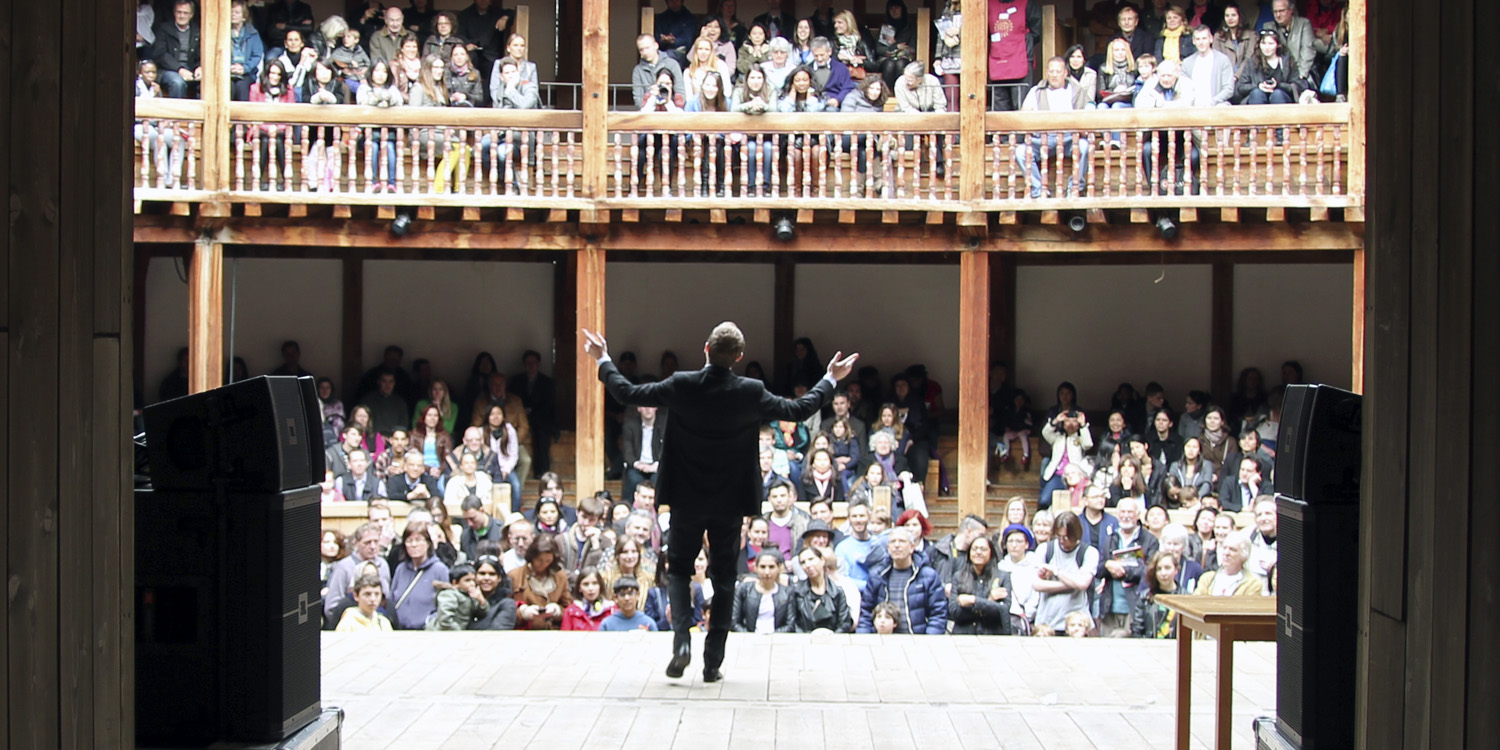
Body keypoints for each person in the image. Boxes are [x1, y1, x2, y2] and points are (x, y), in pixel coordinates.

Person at [585, 321, 853, 681]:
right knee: (725, 576)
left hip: (685, 495)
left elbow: (627, 393)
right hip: (730, 498)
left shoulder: (682, 383)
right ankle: (713, 662)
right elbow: (799, 409)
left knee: (679, 569)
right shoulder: (751, 391)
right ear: (739, 357)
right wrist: (830, 378)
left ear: (706, 349)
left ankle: (682, 641)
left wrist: (602, 357)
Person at [1014, 57, 1093, 199]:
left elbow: (1088, 111)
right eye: (1051, 71)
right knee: (1021, 152)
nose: (1054, 74)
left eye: (1058, 71)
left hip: (1069, 139)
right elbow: (1024, 114)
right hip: (1043, 139)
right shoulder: (1036, 91)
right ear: (1047, 73)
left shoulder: (1075, 90)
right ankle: (1039, 190)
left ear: (1065, 73)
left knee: (1084, 146)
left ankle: (1075, 187)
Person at [857, 527, 947, 634]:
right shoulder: (878, 576)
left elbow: (938, 614)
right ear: (888, 547)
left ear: (912, 547)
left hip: (917, 643)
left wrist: (928, 641)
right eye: (893, 542)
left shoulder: (928, 576)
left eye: (902, 541)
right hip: (883, 642)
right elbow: (866, 612)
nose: (897, 545)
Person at [1096, 497, 1159, 636]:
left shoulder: (1149, 540)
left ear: (1138, 514)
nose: (1125, 516)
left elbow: (1149, 571)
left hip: (1134, 607)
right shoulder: (1111, 538)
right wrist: (1108, 565)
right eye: (1122, 512)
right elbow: (1099, 570)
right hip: (1109, 607)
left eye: (1130, 512)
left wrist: (1123, 570)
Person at [1032, 511, 1101, 635]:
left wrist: (1056, 572)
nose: (1063, 540)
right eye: (1059, 536)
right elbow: (1037, 584)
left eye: (1067, 537)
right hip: (1048, 622)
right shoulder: (1045, 549)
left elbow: (1083, 584)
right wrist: (1071, 583)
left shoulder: (1088, 552)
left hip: (1076, 623)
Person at [948, 535, 1013, 635]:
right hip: (963, 636)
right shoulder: (959, 576)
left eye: (983, 549)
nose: (978, 552)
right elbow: (954, 611)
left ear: (991, 552)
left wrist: (973, 600)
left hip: (993, 636)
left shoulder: (1002, 577)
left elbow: (1003, 610)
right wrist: (989, 601)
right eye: (975, 549)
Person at [987, 0, 1044, 111]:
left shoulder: (1027, 3)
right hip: (997, 59)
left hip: (1020, 58)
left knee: (1020, 104)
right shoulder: (988, 4)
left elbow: (1036, 32)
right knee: (999, 108)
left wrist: (1021, 43)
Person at [390, 524, 448, 629]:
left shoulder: (440, 570)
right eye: (409, 541)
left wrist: (430, 622)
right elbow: (392, 598)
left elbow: (446, 604)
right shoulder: (400, 569)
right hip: (400, 631)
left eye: (418, 540)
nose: (414, 545)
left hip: (426, 631)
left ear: (428, 543)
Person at [510, 350, 558, 475]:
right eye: (528, 363)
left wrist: (533, 411)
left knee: (542, 434)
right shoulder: (516, 381)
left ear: (539, 364)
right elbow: (513, 399)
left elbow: (549, 404)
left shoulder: (547, 382)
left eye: (533, 362)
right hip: (520, 417)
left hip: (540, 417)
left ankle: (542, 472)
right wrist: (522, 410)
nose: (531, 365)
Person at [510, 533, 571, 629]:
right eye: (539, 560)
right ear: (532, 557)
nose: (543, 564)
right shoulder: (515, 576)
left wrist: (557, 610)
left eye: (548, 561)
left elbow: (569, 608)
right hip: (524, 631)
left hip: (553, 631)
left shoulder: (560, 577)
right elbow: (505, 609)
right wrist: (523, 612)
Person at [732, 550, 797, 632]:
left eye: (771, 567)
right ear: (755, 568)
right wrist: (750, 636)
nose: (767, 572)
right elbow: (734, 621)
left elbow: (790, 624)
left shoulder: (787, 592)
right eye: (762, 567)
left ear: (779, 568)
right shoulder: (743, 589)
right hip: (748, 638)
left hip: (777, 639)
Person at [152, 0, 202, 98]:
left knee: (207, 83)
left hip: (191, 69)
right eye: (179, 12)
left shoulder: (197, 31)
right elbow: (160, 55)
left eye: (185, 13)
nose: (182, 16)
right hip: (168, 70)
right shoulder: (164, 29)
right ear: (174, 13)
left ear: (191, 15)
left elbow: (202, 53)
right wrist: (180, 69)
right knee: (177, 83)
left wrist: (199, 67)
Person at [1235, 29, 1300, 105]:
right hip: (1257, 98)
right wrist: (1258, 86)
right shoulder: (1251, 62)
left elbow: (1297, 85)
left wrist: (1278, 85)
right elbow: (1241, 87)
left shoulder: (1287, 61)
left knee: (1277, 94)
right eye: (1263, 43)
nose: (1267, 47)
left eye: (1271, 43)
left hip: (1281, 98)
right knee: (1257, 93)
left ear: (1278, 45)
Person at [1263, 0, 1316, 91]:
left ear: (1291, 10)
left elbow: (1308, 52)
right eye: (1275, 12)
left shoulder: (1303, 24)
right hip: (1276, 76)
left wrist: (1300, 76)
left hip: (1300, 74)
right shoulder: (1268, 27)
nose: (1278, 15)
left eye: (1282, 11)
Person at [1195, 530, 1264, 596]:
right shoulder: (1207, 579)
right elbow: (1195, 602)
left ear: (1244, 555)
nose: (1226, 553)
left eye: (1232, 549)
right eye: (1224, 548)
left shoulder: (1253, 583)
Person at [1181, 24, 1235, 106]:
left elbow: (1228, 89)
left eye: (1204, 38)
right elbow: (1184, 89)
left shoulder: (1223, 60)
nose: (1201, 42)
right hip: (1193, 107)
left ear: (1211, 39)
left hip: (1216, 106)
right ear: (1193, 41)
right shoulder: (1187, 63)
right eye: (1198, 39)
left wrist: (1212, 102)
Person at [1131, 551, 1182, 638]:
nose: (1163, 573)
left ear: (1176, 570)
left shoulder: (1185, 597)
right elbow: (1137, 628)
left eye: (1167, 568)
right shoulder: (1145, 597)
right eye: (1159, 569)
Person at [622, 405, 666, 501]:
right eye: (644, 406)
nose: (648, 409)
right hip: (637, 465)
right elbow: (627, 451)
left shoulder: (663, 427)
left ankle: (656, 509)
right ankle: (628, 507)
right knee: (634, 480)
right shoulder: (630, 426)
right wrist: (638, 464)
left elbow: (666, 449)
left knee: (657, 480)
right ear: (639, 408)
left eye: (651, 406)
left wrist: (657, 464)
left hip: (656, 465)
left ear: (656, 408)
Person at [1215, 2, 1257, 68]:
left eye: (1233, 15)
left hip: (1245, 76)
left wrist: (1236, 76)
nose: (1230, 18)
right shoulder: (1218, 36)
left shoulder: (1251, 35)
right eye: (1227, 15)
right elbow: (1217, 60)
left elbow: (1248, 59)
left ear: (1240, 16)